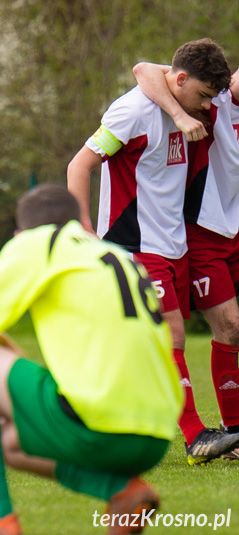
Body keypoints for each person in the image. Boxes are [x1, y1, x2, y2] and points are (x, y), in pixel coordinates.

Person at [0, 184, 188, 535]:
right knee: (2, 440)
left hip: (98, 423)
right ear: (80, 222)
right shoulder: (116, 255)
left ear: (21, 233)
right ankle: (121, 490)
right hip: (157, 433)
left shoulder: (39, 243)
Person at [67, 38, 239, 464]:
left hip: (173, 242)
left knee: (142, 342)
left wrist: (184, 109)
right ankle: (195, 435)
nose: (206, 107)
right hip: (132, 243)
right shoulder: (132, 111)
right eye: (200, 96)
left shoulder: (189, 106)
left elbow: (151, 69)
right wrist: (83, 228)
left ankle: (87, 412)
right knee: (172, 335)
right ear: (180, 82)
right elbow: (79, 166)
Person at [133, 61, 239, 462]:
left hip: (232, 230)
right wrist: (179, 113)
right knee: (223, 326)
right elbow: (144, 68)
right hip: (202, 231)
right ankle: (227, 433)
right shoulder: (218, 99)